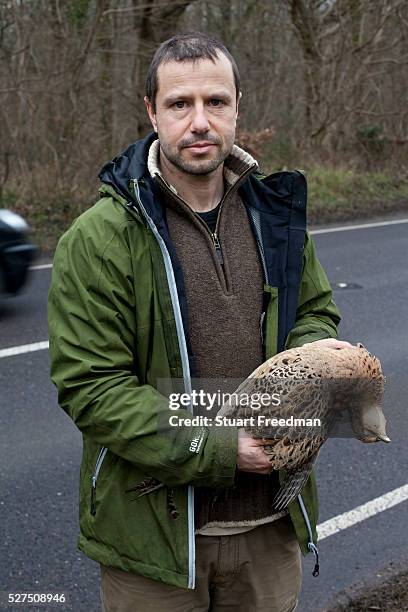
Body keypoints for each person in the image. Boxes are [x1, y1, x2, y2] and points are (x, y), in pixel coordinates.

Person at [48, 31, 349, 612]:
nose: (200, 122)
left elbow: (315, 314)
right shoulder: (99, 238)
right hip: (156, 545)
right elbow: (92, 389)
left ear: (239, 105)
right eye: (180, 104)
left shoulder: (276, 216)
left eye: (216, 102)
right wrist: (221, 447)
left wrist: (304, 377)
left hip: (271, 526)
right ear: (151, 112)